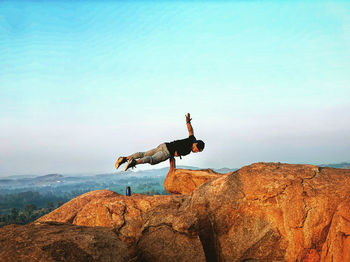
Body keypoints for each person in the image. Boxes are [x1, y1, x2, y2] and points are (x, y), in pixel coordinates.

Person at [115, 113, 205, 171]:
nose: (196, 152)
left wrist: (188, 121)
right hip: (167, 152)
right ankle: (133, 162)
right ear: (196, 144)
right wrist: (172, 169)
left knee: (144, 154)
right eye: (197, 150)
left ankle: (124, 159)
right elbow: (173, 156)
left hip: (164, 145)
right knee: (151, 160)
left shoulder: (192, 138)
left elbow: (190, 130)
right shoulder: (188, 150)